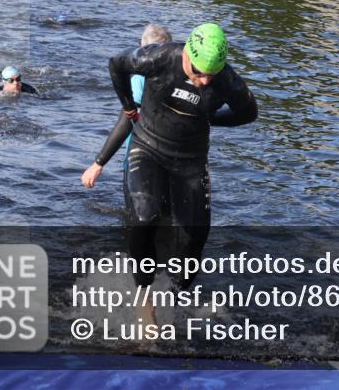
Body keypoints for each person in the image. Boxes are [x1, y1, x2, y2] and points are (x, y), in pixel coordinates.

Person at [103, 23, 257, 318]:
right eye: (198, 71)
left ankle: (176, 300)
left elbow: (249, 113)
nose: (203, 81)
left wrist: (210, 119)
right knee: (144, 216)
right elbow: (117, 65)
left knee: (194, 240)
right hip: (148, 147)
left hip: (190, 160)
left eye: (210, 75)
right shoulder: (159, 58)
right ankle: (144, 299)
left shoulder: (226, 80)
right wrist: (127, 108)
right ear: (187, 54)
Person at [82, 23, 172, 188]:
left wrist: (98, 163)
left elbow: (128, 120)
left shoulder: (140, 78)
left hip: (141, 159)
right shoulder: (183, 76)